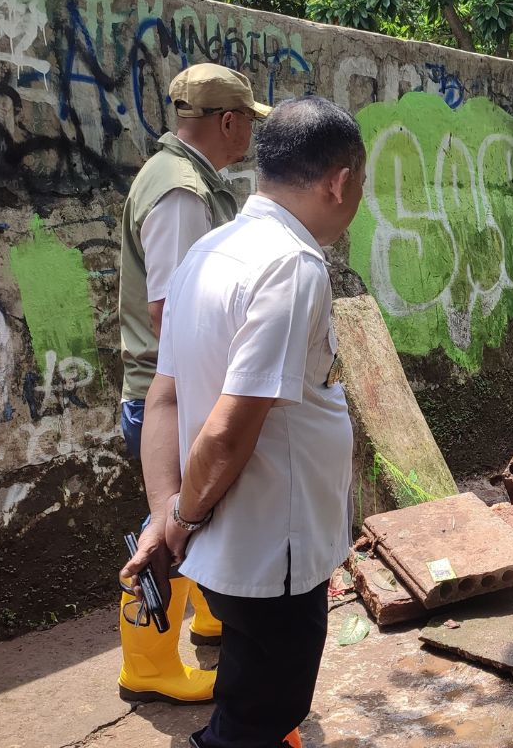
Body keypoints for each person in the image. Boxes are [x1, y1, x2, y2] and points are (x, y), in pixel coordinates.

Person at [120, 96, 366, 748]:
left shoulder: (206, 251)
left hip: (232, 553)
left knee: (246, 691)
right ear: (340, 181)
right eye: (360, 184)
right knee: (259, 719)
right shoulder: (293, 265)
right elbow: (230, 430)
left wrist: (165, 513)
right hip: (272, 555)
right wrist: (181, 517)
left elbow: (164, 398)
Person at [116, 63, 270, 705]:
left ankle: (210, 619)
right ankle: (148, 662)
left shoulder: (184, 179)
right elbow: (172, 311)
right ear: (227, 121)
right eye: (247, 121)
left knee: (200, 514)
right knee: (170, 520)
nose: (251, 136)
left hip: (175, 382)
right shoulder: (182, 194)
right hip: (168, 391)